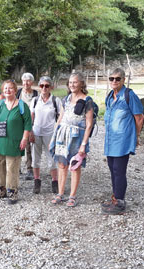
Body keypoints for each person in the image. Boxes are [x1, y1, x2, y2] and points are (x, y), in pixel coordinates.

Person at [101, 68, 144, 215]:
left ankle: (120, 202)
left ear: (123, 80)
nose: (114, 81)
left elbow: (139, 118)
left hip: (123, 140)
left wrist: (136, 137)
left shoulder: (129, 95)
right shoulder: (110, 96)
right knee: (112, 168)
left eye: (117, 79)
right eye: (111, 78)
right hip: (110, 140)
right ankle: (115, 198)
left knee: (119, 170)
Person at [49, 72, 94, 207]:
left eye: (75, 82)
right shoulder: (66, 99)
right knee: (62, 164)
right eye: (70, 82)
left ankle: (72, 196)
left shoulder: (87, 101)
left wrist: (83, 145)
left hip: (77, 137)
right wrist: (54, 136)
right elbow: (60, 118)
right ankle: (60, 194)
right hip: (62, 135)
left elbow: (89, 124)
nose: (72, 85)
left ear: (81, 83)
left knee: (74, 166)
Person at [0, 80, 32, 204]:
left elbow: (28, 124)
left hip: (14, 141)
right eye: (5, 88)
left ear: (15, 90)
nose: (8, 90)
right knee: (0, 165)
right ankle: (1, 188)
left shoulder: (21, 105)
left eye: (10, 88)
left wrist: (24, 138)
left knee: (12, 167)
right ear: (3, 90)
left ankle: (13, 190)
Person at [29, 76, 63, 194]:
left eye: (47, 86)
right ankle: (37, 181)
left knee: (52, 158)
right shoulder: (34, 100)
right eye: (42, 85)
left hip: (50, 134)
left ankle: (55, 182)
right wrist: (30, 132)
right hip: (36, 132)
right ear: (39, 87)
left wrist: (57, 131)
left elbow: (61, 116)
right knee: (35, 158)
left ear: (51, 87)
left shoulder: (55, 100)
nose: (44, 88)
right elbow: (30, 117)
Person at [16, 72, 38, 181]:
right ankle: (17, 167)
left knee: (29, 147)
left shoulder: (36, 94)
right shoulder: (18, 92)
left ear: (32, 82)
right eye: (24, 81)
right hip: (18, 122)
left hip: (31, 123)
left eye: (28, 81)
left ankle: (30, 169)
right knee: (17, 144)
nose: (26, 83)